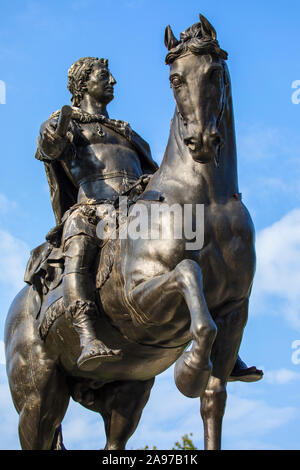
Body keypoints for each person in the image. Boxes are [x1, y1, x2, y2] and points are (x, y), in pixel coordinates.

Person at [35, 56, 262, 382]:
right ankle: (86, 335)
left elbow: (151, 171)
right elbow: (47, 146)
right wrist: (52, 134)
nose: (113, 81)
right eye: (104, 75)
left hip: (134, 205)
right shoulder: (67, 123)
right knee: (79, 239)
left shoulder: (126, 132)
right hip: (93, 208)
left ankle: (221, 341)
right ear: (84, 83)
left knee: (194, 237)